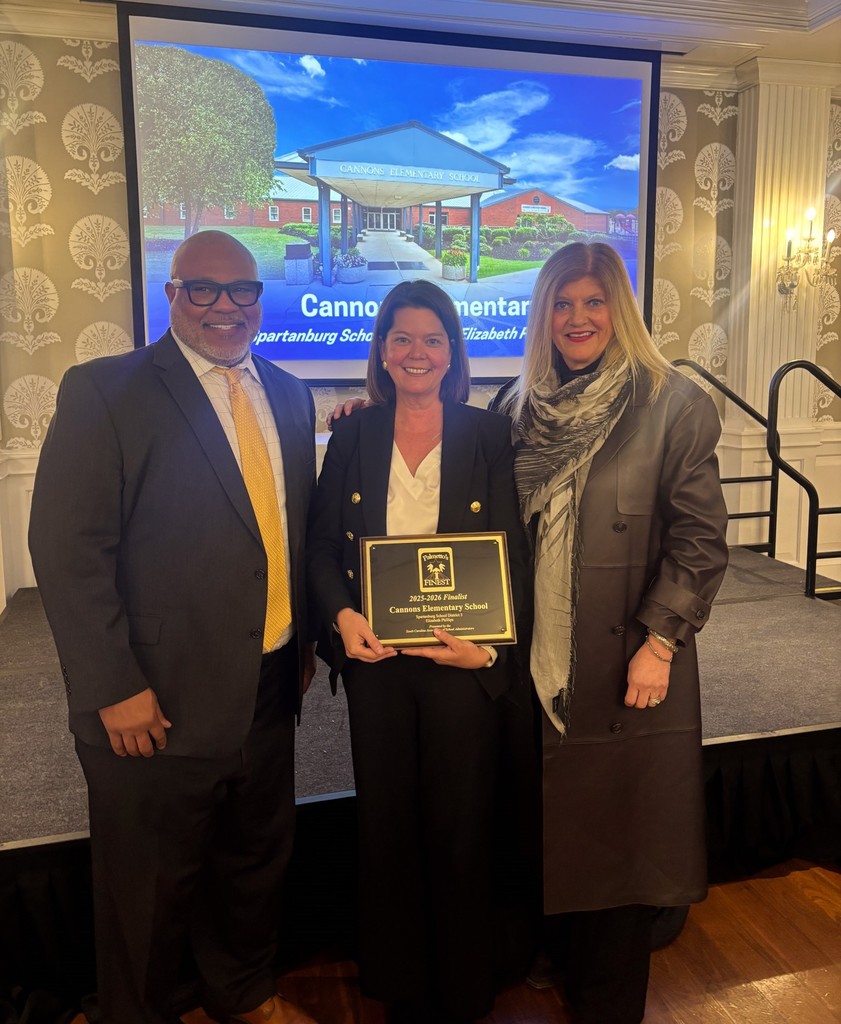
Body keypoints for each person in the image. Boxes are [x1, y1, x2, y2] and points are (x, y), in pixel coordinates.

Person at [28, 230, 319, 1024]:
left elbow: (289, 534)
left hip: (267, 682)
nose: (225, 307)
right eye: (204, 289)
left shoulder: (290, 395)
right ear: (172, 295)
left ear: (262, 298)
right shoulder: (105, 392)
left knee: (254, 859)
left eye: (242, 291)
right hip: (152, 697)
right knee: (146, 884)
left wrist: (301, 644)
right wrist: (113, 686)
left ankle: (244, 992)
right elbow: (68, 550)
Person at [496, 241, 729, 1024]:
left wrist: (660, 641)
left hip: (627, 656)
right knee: (551, 817)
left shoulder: (672, 402)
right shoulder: (517, 406)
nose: (576, 318)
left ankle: (606, 1000)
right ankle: (557, 959)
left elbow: (698, 541)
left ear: (619, 309)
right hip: (532, 658)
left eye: (593, 302)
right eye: (561, 304)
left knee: (618, 837)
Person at [307, 280, 530, 1024]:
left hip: (459, 663)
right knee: (388, 823)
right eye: (400, 338)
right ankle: (400, 982)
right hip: (375, 662)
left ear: (452, 352)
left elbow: (514, 557)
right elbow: (317, 545)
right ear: (380, 350)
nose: (416, 352)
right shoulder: (352, 434)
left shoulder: (487, 435)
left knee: (461, 823)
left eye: (432, 339)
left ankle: (465, 984)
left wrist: (490, 654)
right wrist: (339, 615)